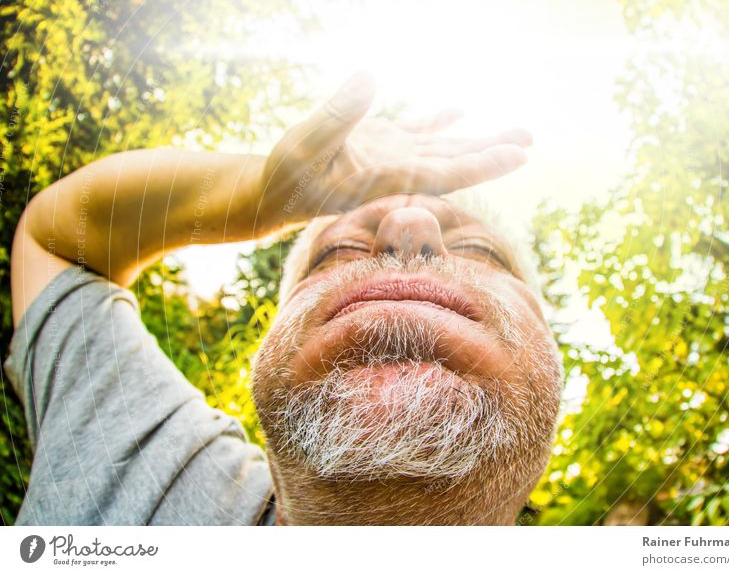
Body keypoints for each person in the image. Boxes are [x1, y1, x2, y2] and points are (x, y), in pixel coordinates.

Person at [6, 74, 563, 525]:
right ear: (274, 331)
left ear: (547, 340)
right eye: (339, 250)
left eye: (476, 249)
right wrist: (249, 194)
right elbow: (58, 242)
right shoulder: (154, 467)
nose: (407, 225)